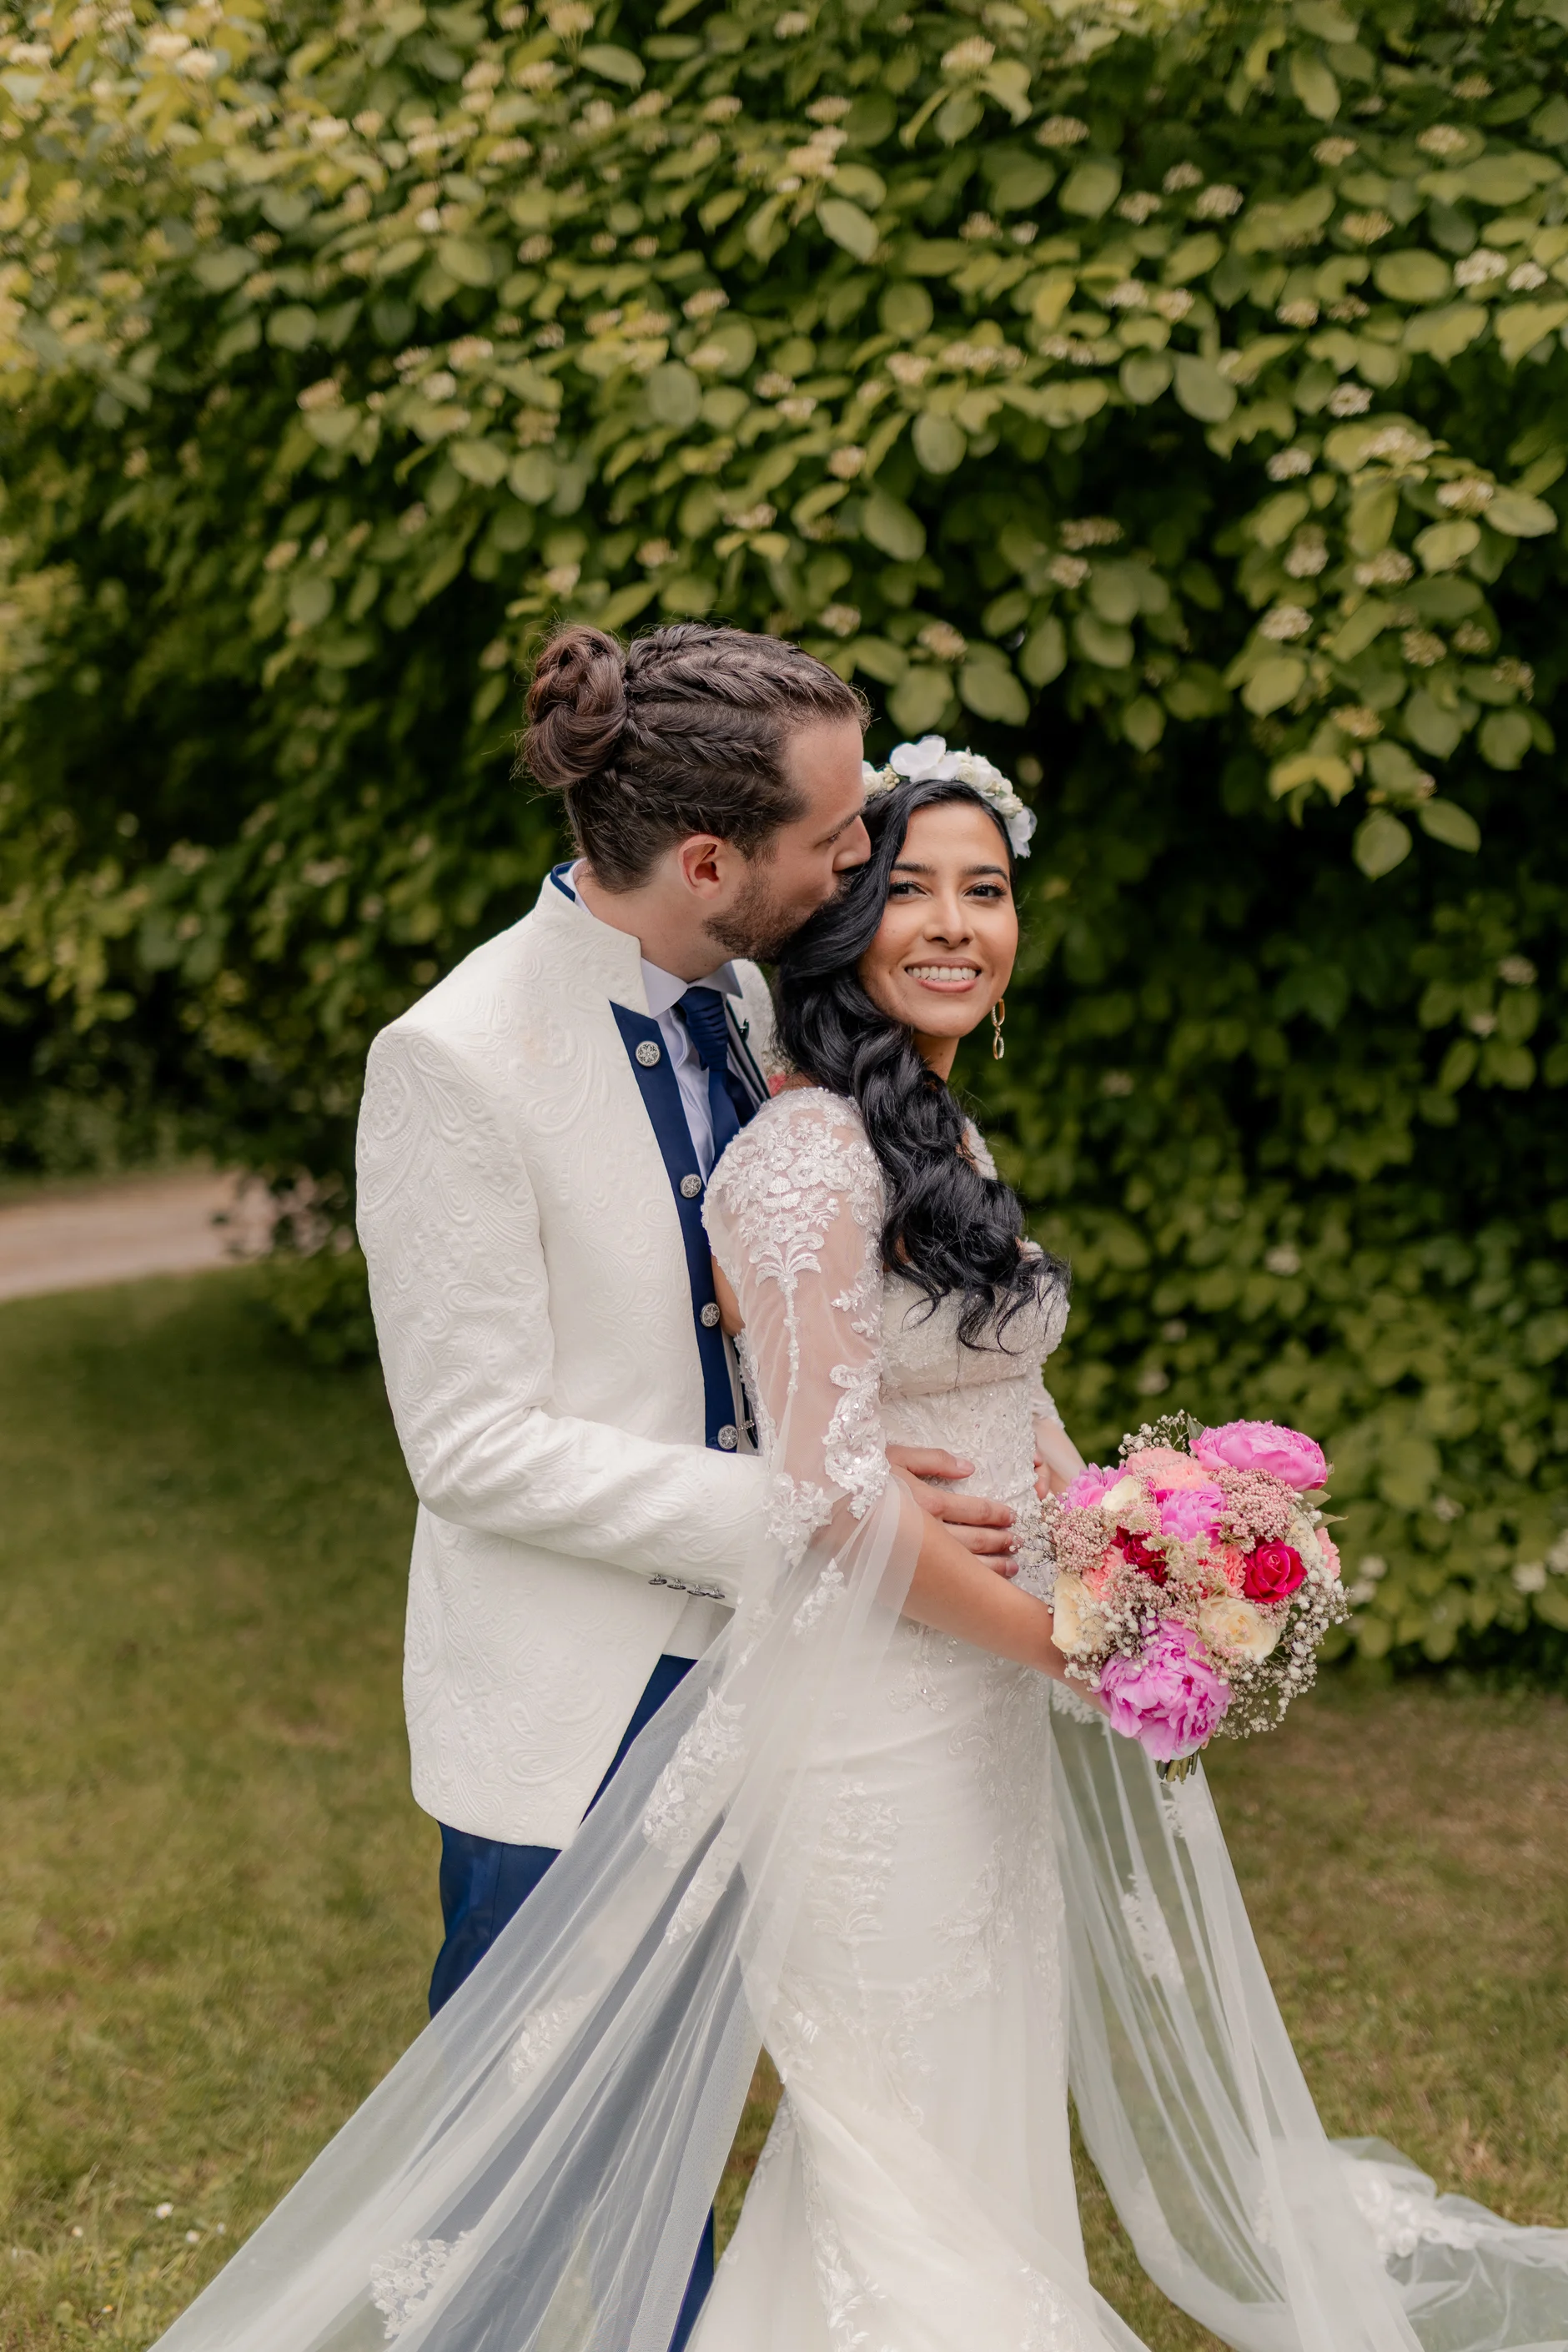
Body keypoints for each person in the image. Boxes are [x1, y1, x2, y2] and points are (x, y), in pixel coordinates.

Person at [156, 730, 1568, 2352]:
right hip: (782, 1682)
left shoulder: (849, 1082)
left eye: (984, 889)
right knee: (550, 2131)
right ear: (761, 882)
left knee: (943, 2123)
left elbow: (979, 1393)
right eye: (890, 881)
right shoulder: (543, 1070)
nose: (942, 919)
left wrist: (1151, 1547)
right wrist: (1071, 1642)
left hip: (949, 1686)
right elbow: (542, 1452)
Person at [351, 625, 1025, 2349]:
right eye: (832, 836)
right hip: (579, 1678)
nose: (857, 862)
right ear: (714, 863)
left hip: (790, 1671)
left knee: (717, 2084)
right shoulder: (455, 1058)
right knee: (525, 2118)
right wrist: (812, 1512)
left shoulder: (749, 988)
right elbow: (472, 1443)